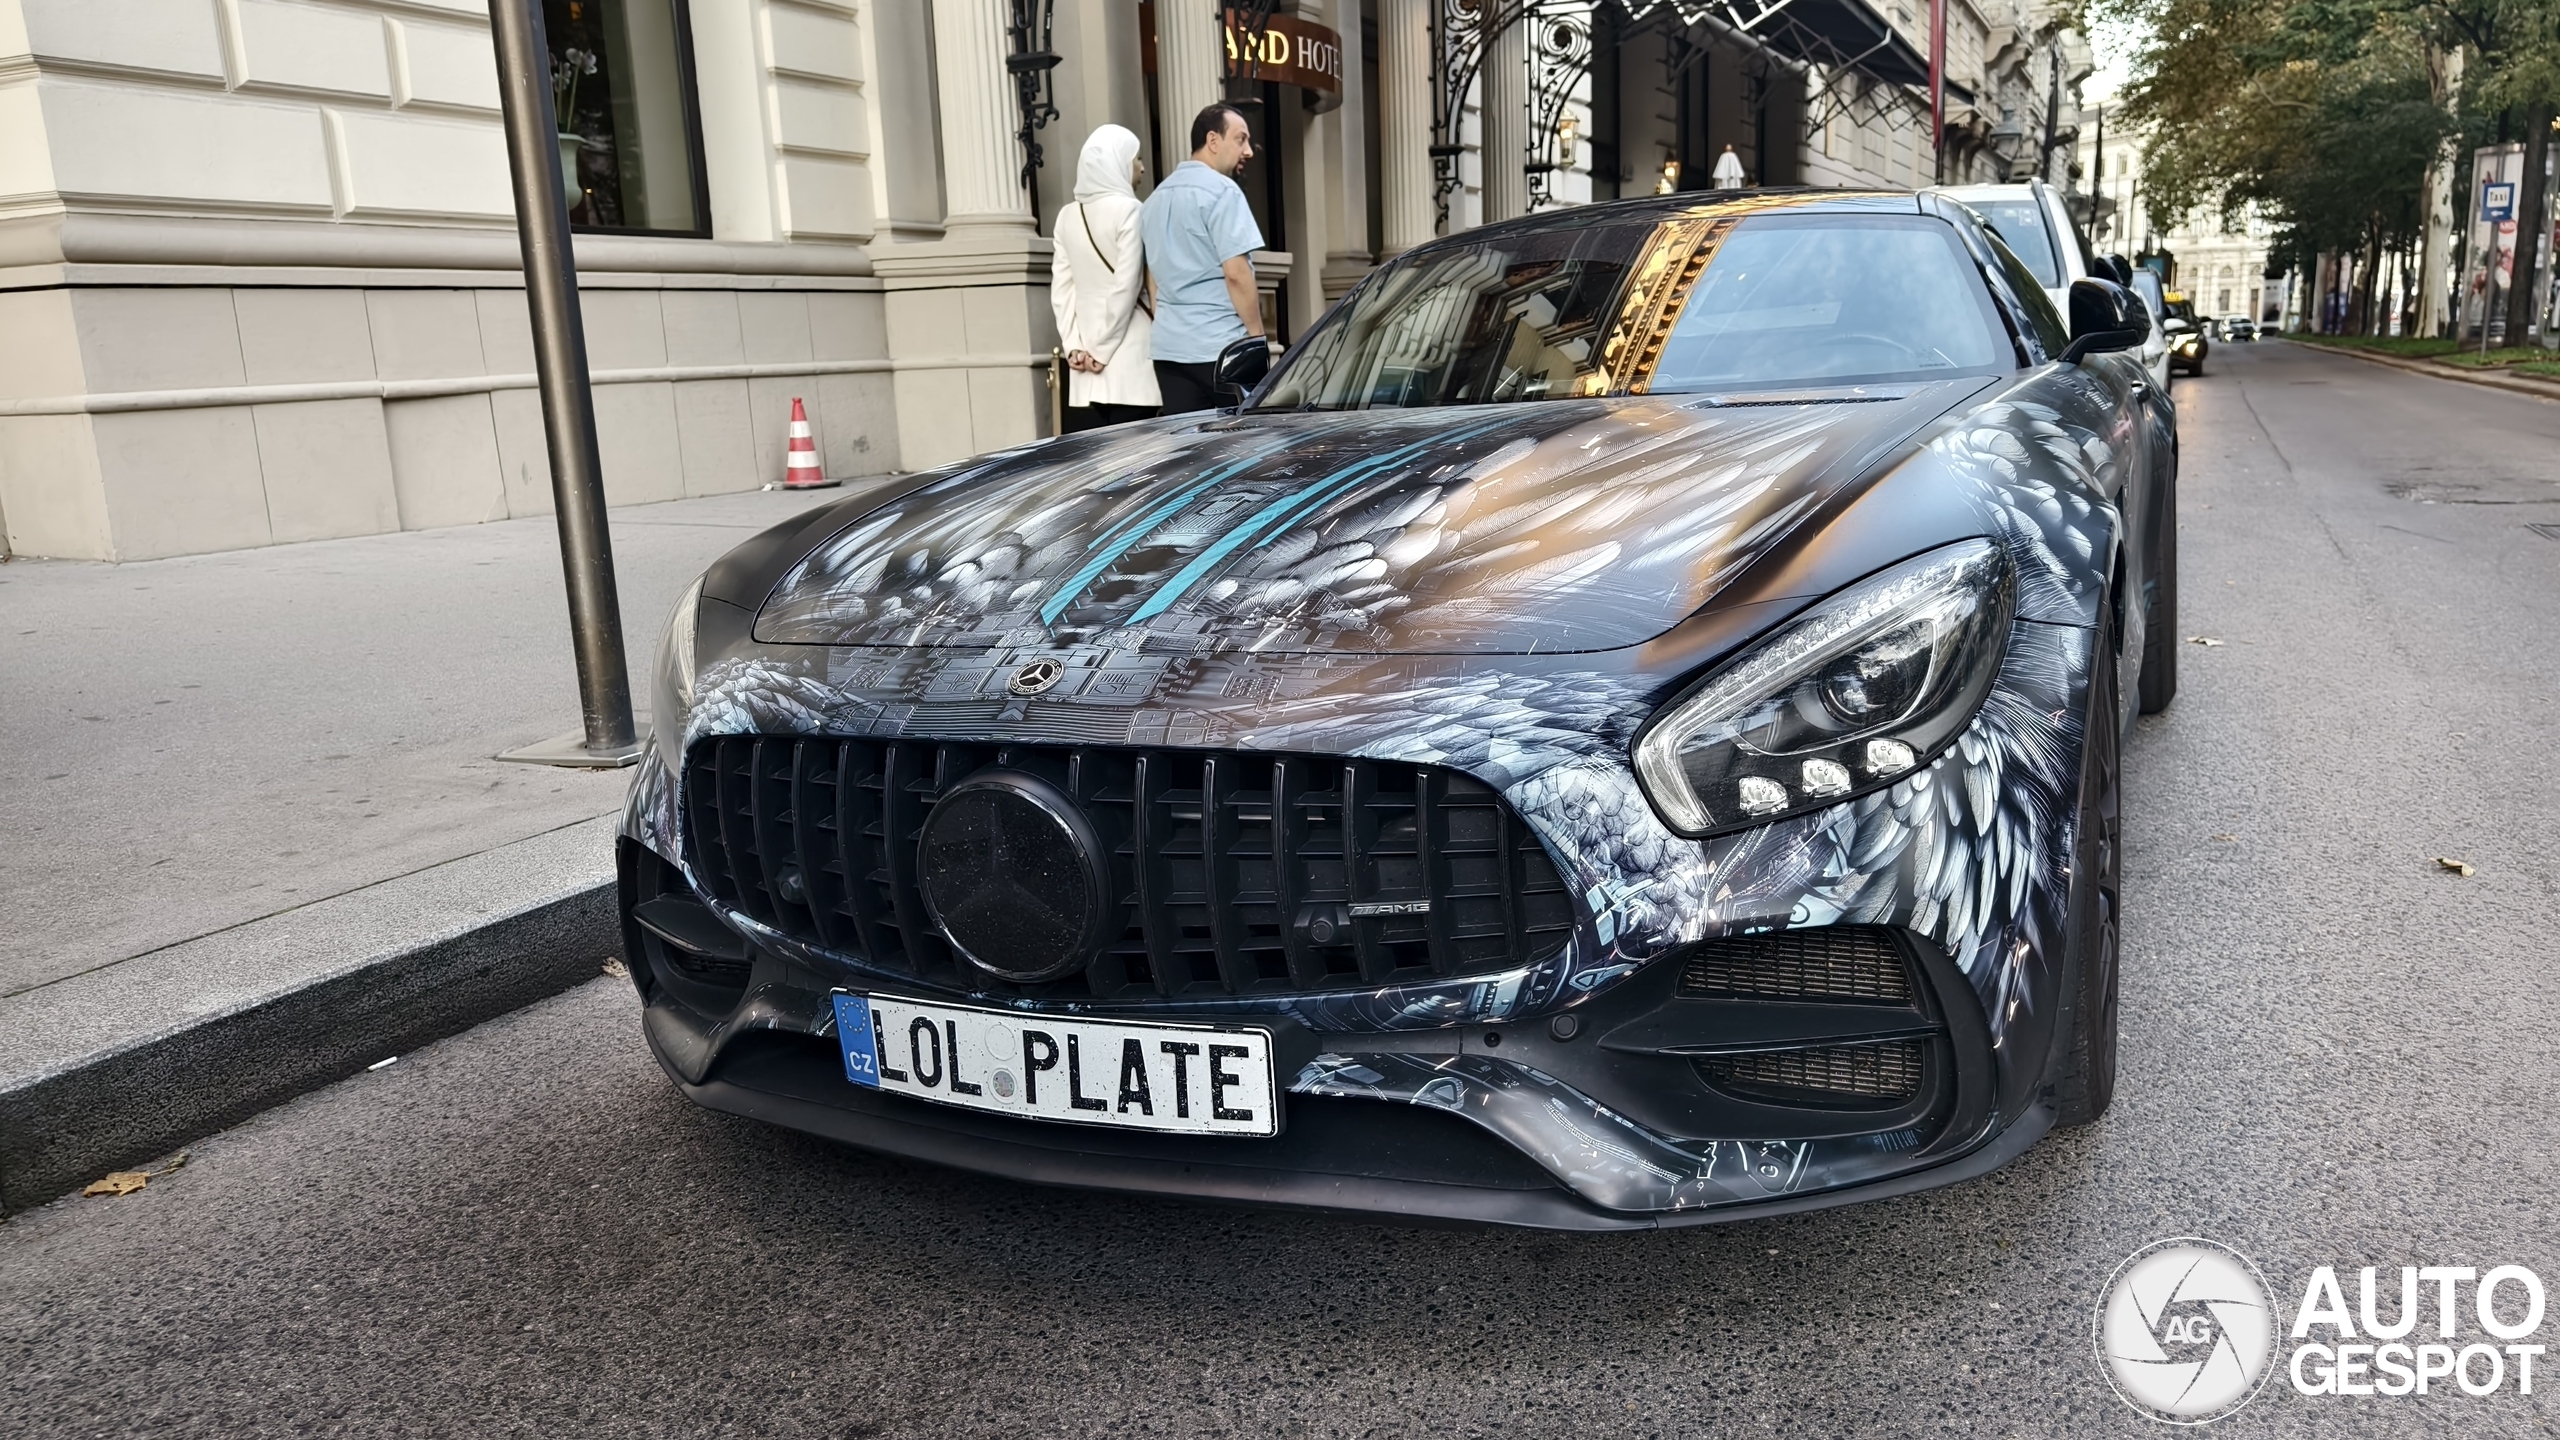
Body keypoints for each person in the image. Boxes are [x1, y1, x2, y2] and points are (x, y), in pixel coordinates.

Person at [1141, 103, 1266, 414]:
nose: (1248, 151)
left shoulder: (1155, 198)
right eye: (1240, 139)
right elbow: (1236, 274)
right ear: (1213, 141)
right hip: (1221, 348)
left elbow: (1153, 278)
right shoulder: (1224, 192)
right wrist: (1257, 340)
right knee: (1243, 448)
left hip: (1170, 350)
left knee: (1188, 453)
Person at [1050, 124, 1159, 430]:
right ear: (1118, 162)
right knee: (1137, 463)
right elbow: (1126, 287)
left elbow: (1062, 290)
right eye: (1135, 159)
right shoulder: (1132, 210)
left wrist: (1074, 347)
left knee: (1098, 466)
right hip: (1128, 358)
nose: (1141, 167)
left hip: (1084, 363)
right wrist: (1101, 351)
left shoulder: (1066, 215)